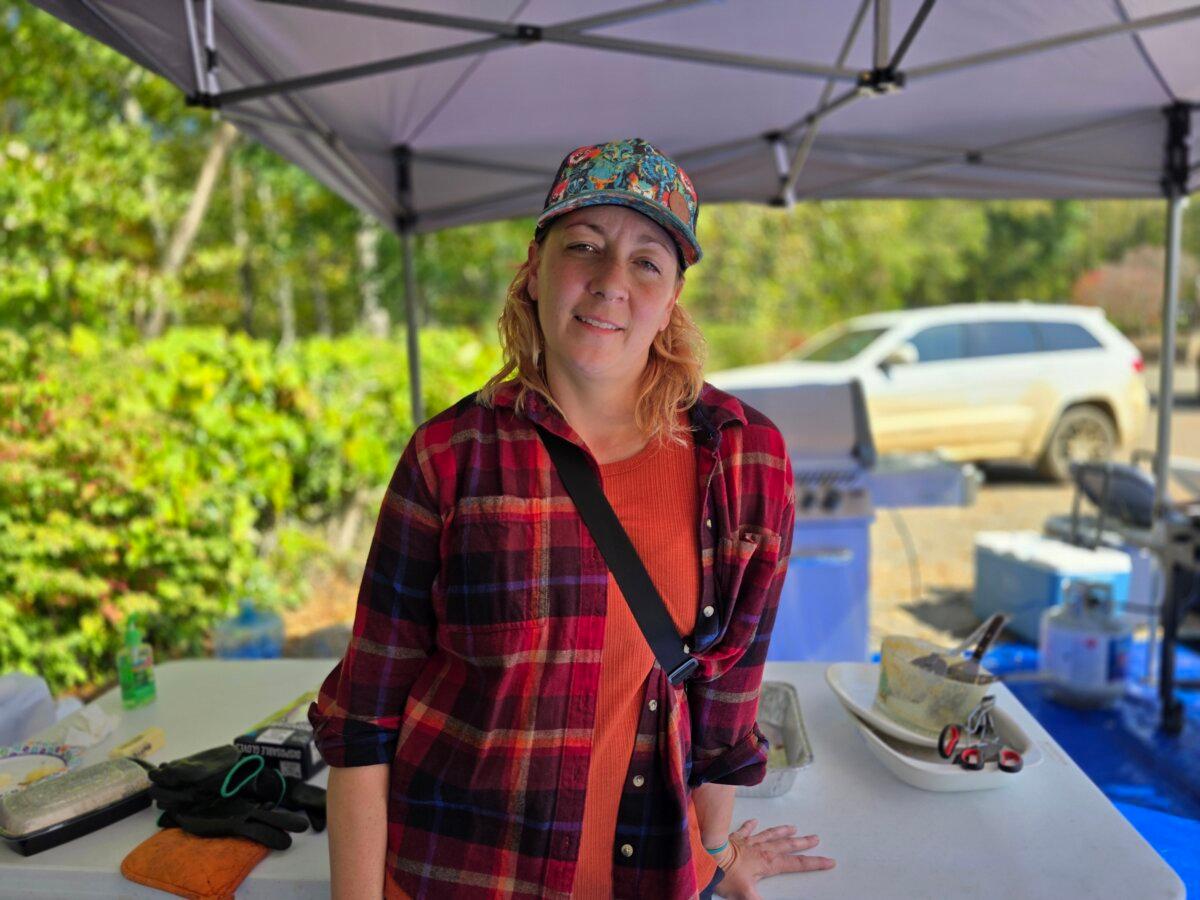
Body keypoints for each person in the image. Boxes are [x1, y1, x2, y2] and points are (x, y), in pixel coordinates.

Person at [309, 138, 835, 900]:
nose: (610, 282)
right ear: (535, 268)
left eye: (646, 261)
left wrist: (715, 861)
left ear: (671, 299)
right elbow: (364, 720)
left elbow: (726, 699)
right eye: (583, 246)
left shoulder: (746, 458)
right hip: (459, 877)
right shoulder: (449, 456)